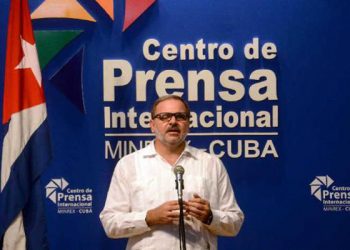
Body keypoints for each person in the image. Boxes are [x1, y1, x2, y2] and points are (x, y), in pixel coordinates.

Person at [100, 95, 244, 250]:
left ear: (188, 124)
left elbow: (235, 222)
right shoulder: (129, 165)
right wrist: (148, 217)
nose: (173, 122)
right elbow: (110, 223)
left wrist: (210, 216)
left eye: (180, 116)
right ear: (152, 125)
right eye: (164, 117)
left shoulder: (211, 164)